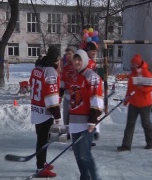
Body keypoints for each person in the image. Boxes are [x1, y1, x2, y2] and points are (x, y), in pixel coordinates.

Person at [68, 49, 104, 180]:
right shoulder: (75, 77)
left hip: (86, 122)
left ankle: (94, 178)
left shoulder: (91, 76)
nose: (77, 62)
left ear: (84, 60)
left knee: (84, 154)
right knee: (77, 154)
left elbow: (97, 99)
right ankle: (84, 177)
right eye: (75, 59)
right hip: (75, 122)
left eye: (79, 59)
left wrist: (92, 121)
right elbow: (72, 101)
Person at [29, 46, 62, 177]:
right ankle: (40, 167)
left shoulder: (37, 69)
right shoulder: (50, 72)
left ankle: (42, 162)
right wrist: (57, 114)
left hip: (36, 110)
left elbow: (32, 85)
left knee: (42, 138)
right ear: (56, 59)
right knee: (43, 140)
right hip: (45, 112)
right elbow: (51, 95)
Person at [117, 54, 152, 151]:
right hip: (133, 103)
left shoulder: (146, 73)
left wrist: (142, 89)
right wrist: (126, 99)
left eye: (134, 64)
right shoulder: (132, 74)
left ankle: (150, 142)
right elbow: (130, 88)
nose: (132, 65)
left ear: (138, 64)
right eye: (132, 63)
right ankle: (126, 145)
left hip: (145, 104)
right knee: (130, 124)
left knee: (145, 123)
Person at [82, 41, 101, 140]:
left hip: (93, 90)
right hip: (87, 91)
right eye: (92, 51)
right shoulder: (86, 62)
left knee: (95, 110)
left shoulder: (93, 62)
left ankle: (95, 130)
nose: (94, 53)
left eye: (95, 51)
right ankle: (90, 131)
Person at [59, 46, 77, 140]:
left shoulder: (77, 66)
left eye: (70, 54)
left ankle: (75, 132)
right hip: (67, 95)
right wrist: (60, 94)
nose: (68, 56)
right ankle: (67, 132)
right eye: (67, 54)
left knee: (75, 115)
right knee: (66, 114)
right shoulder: (65, 68)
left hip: (76, 96)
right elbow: (62, 82)